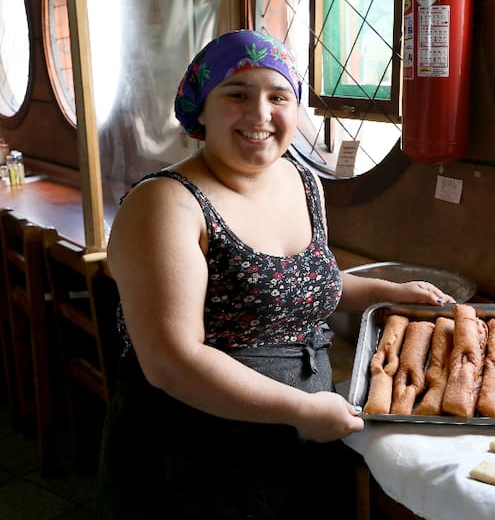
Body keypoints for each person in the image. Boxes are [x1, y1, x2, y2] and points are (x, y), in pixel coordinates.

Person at [96, 29, 454, 519]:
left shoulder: (302, 181)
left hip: (301, 437)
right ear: (201, 107)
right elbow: (171, 362)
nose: (260, 114)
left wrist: (389, 293)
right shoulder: (165, 204)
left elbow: (303, 286)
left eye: (278, 97)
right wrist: (301, 409)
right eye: (237, 94)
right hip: (195, 454)